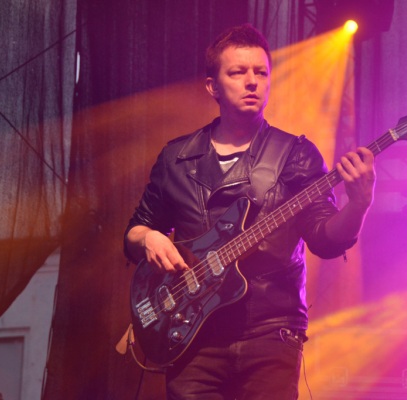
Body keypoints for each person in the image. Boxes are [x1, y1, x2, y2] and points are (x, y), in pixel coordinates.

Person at [124, 23, 375, 399]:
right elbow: (135, 231)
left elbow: (325, 239)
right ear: (213, 86)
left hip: (270, 333)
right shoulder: (176, 158)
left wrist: (358, 205)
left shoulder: (296, 155)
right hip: (191, 334)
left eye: (261, 72)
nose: (252, 82)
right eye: (238, 72)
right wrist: (148, 238)